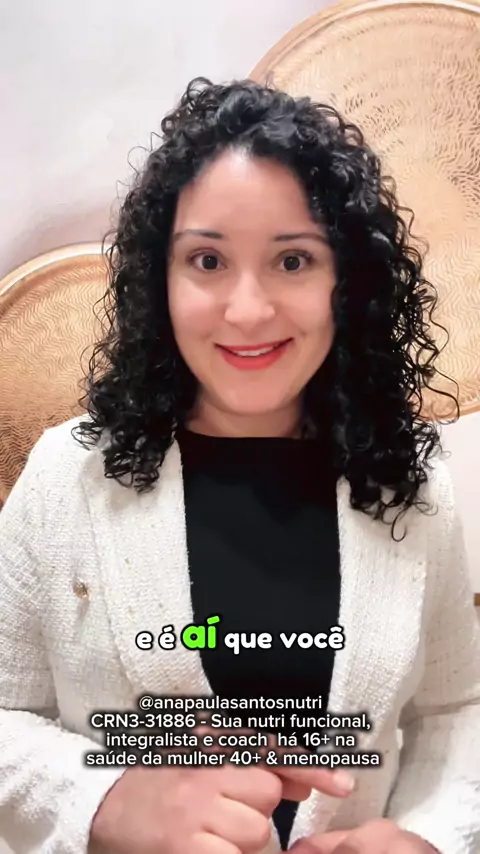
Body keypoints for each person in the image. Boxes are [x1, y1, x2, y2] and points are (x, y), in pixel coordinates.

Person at [0, 77, 479, 854]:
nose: (248, 310)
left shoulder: (412, 486)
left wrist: (431, 838)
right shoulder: (67, 477)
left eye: (293, 260)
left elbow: (458, 711)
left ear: (346, 280)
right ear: (160, 278)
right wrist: (104, 801)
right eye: (208, 260)